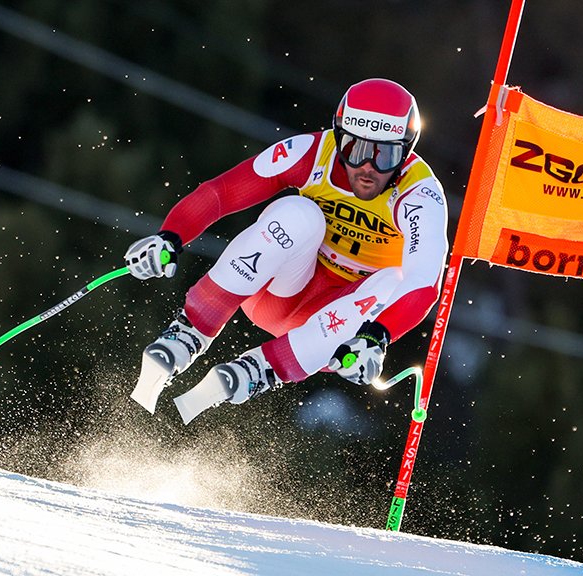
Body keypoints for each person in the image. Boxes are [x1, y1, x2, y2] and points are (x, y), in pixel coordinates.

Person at [123, 78, 449, 424]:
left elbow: (424, 282)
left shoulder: (420, 195)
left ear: (406, 151)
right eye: (355, 150)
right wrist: (170, 236)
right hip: (280, 292)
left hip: (332, 327)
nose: (368, 168)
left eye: (385, 155)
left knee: (394, 279)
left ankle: (259, 370)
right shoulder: (312, 153)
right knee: (298, 214)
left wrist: (378, 335)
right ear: (339, 138)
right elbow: (223, 192)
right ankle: (190, 330)